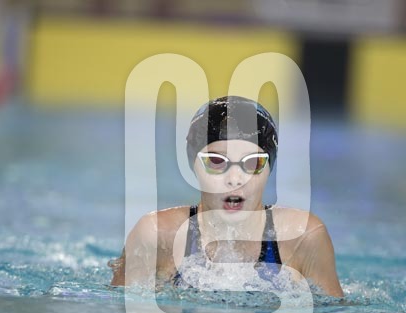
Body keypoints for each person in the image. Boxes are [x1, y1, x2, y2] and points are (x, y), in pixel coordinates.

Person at [109, 96, 344, 298]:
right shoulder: (156, 235)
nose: (234, 178)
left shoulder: (303, 237)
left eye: (252, 163)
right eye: (216, 161)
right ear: (193, 166)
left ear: (269, 168)